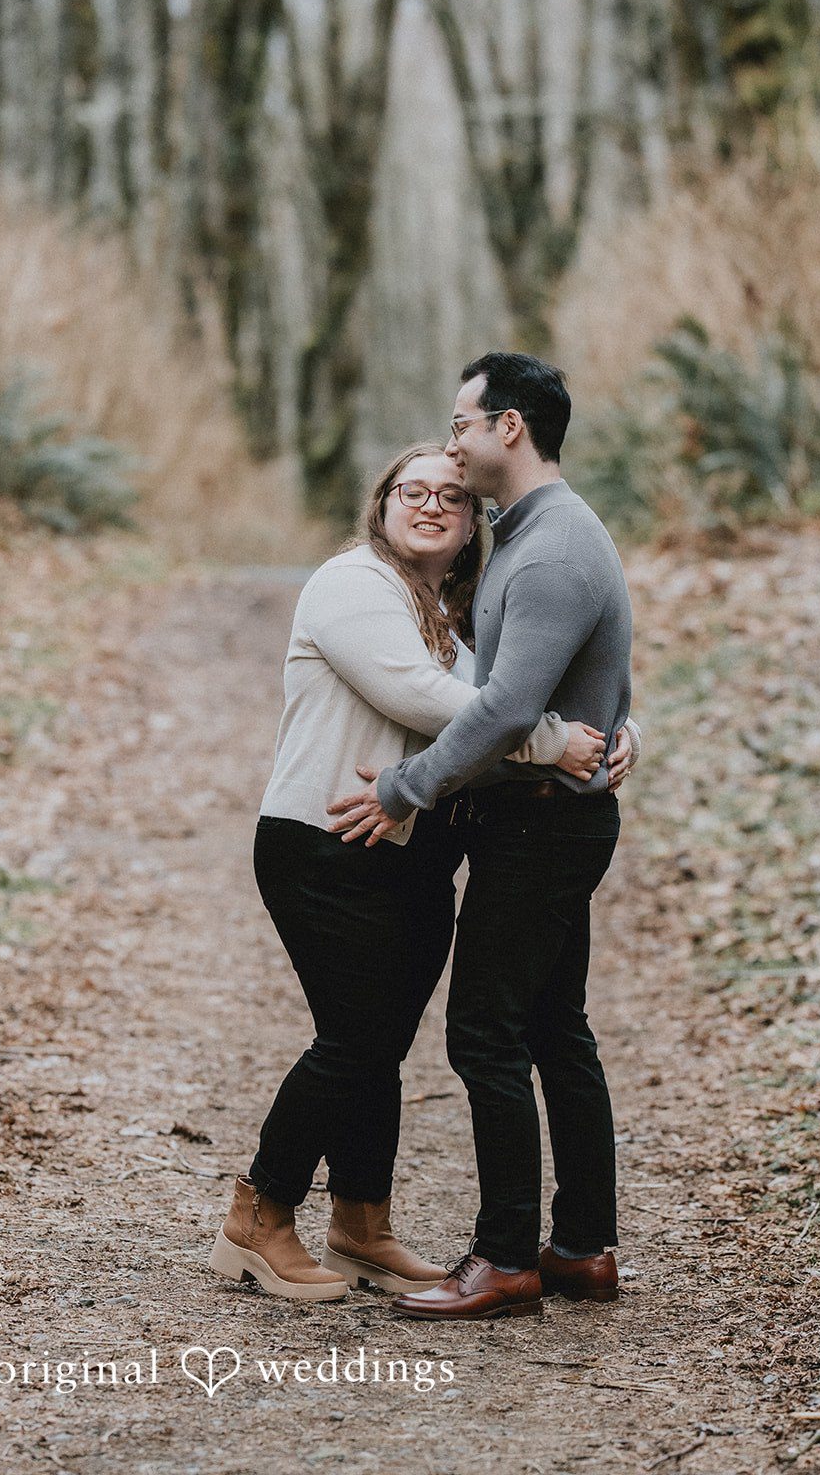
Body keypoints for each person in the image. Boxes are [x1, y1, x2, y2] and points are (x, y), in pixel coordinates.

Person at [209, 440, 639, 1302]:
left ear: (474, 521)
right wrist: (553, 742)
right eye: (412, 491)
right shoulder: (353, 584)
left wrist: (620, 729)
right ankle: (259, 1215)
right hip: (325, 841)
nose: (431, 505)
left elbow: (538, 682)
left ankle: (361, 1226)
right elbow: (427, 697)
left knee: (382, 1043)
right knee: (354, 1040)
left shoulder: (461, 608)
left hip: (410, 852)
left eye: (452, 495)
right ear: (382, 504)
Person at [329, 353, 634, 1320]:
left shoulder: (548, 550)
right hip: (551, 816)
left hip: (541, 827)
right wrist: (616, 725)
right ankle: (581, 1248)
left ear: (509, 427)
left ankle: (504, 1259)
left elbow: (504, 707)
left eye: (462, 423)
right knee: (553, 1029)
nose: (453, 442)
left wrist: (406, 788)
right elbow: (584, 675)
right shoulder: (537, 531)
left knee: (485, 1035)